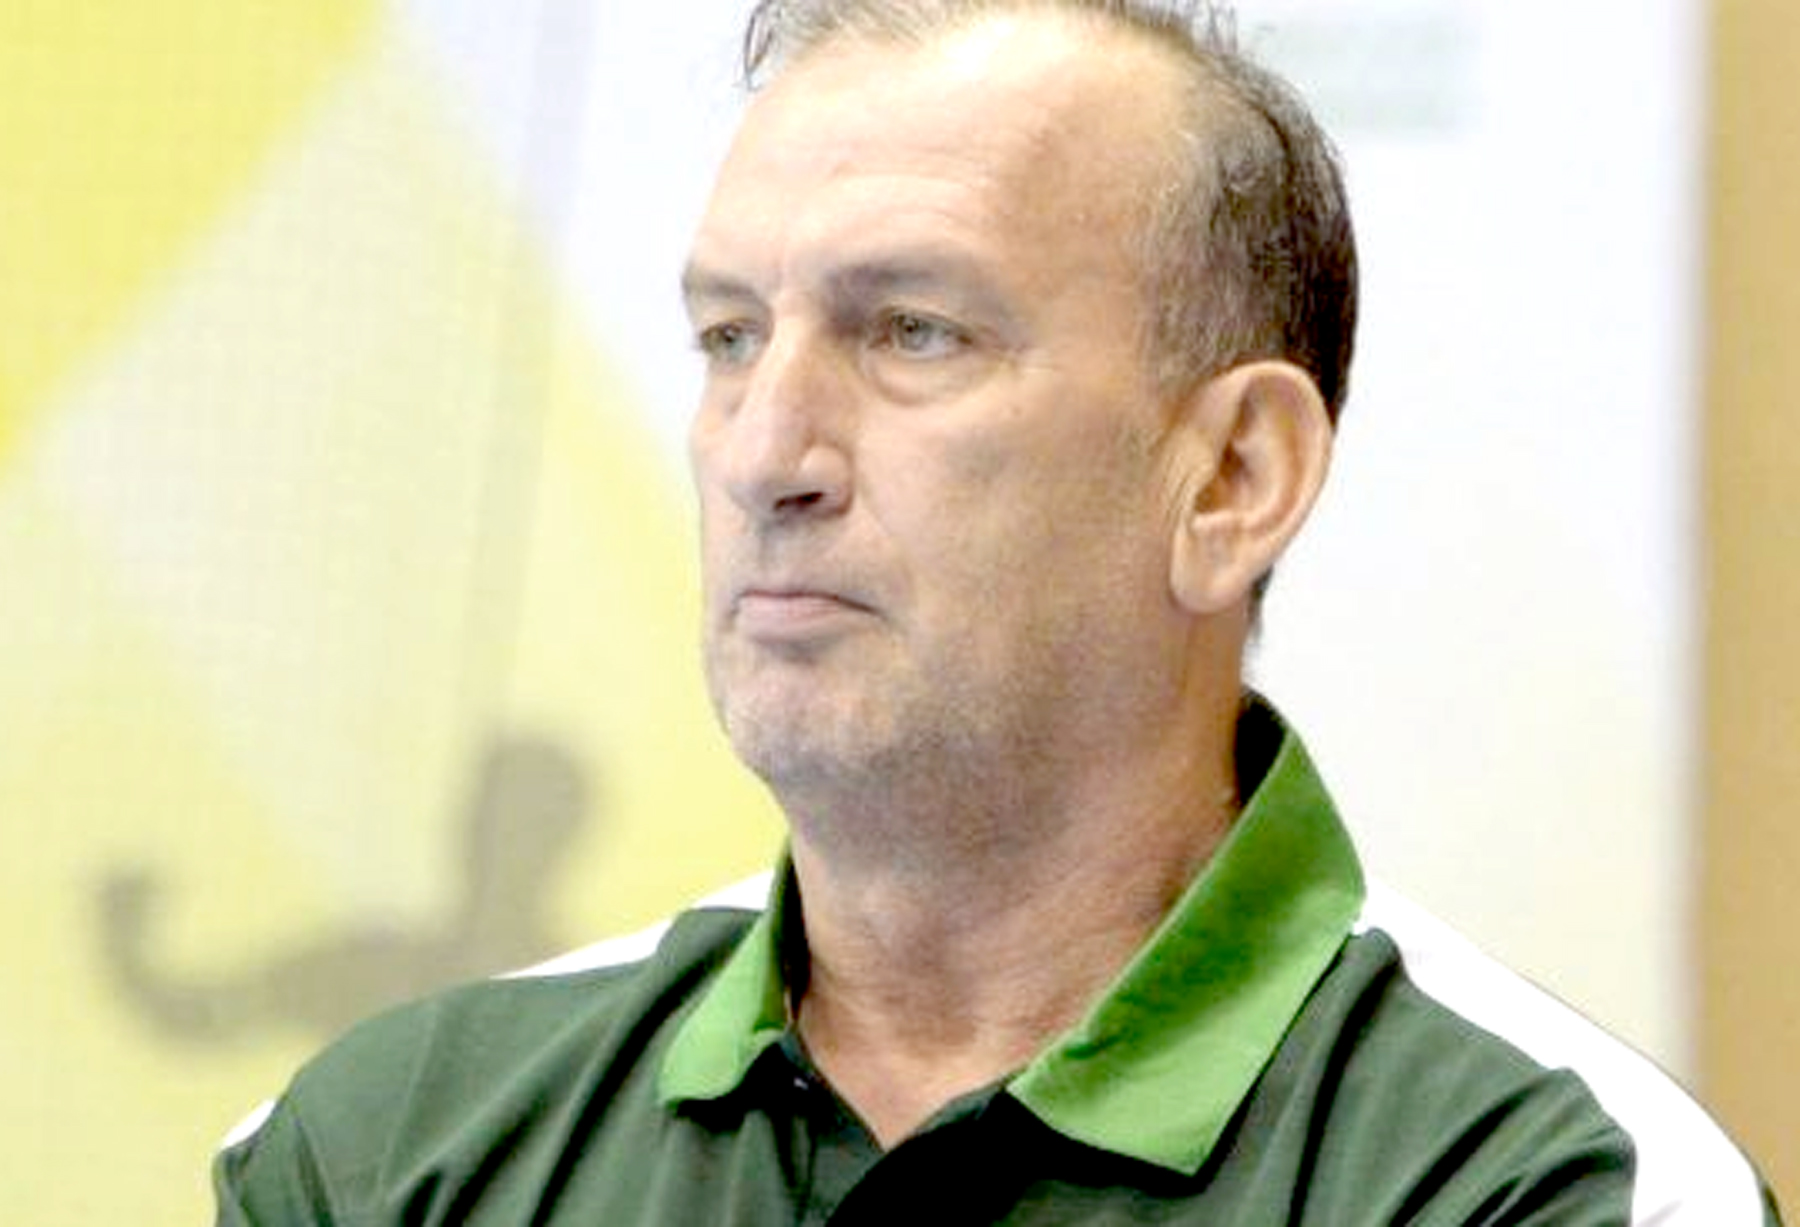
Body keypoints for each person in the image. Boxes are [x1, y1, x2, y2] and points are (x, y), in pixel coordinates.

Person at [213, 1, 1783, 1222]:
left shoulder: (1545, 1186)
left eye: (914, 332)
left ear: (1233, 477)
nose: (765, 455)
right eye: (730, 337)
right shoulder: (389, 1152)